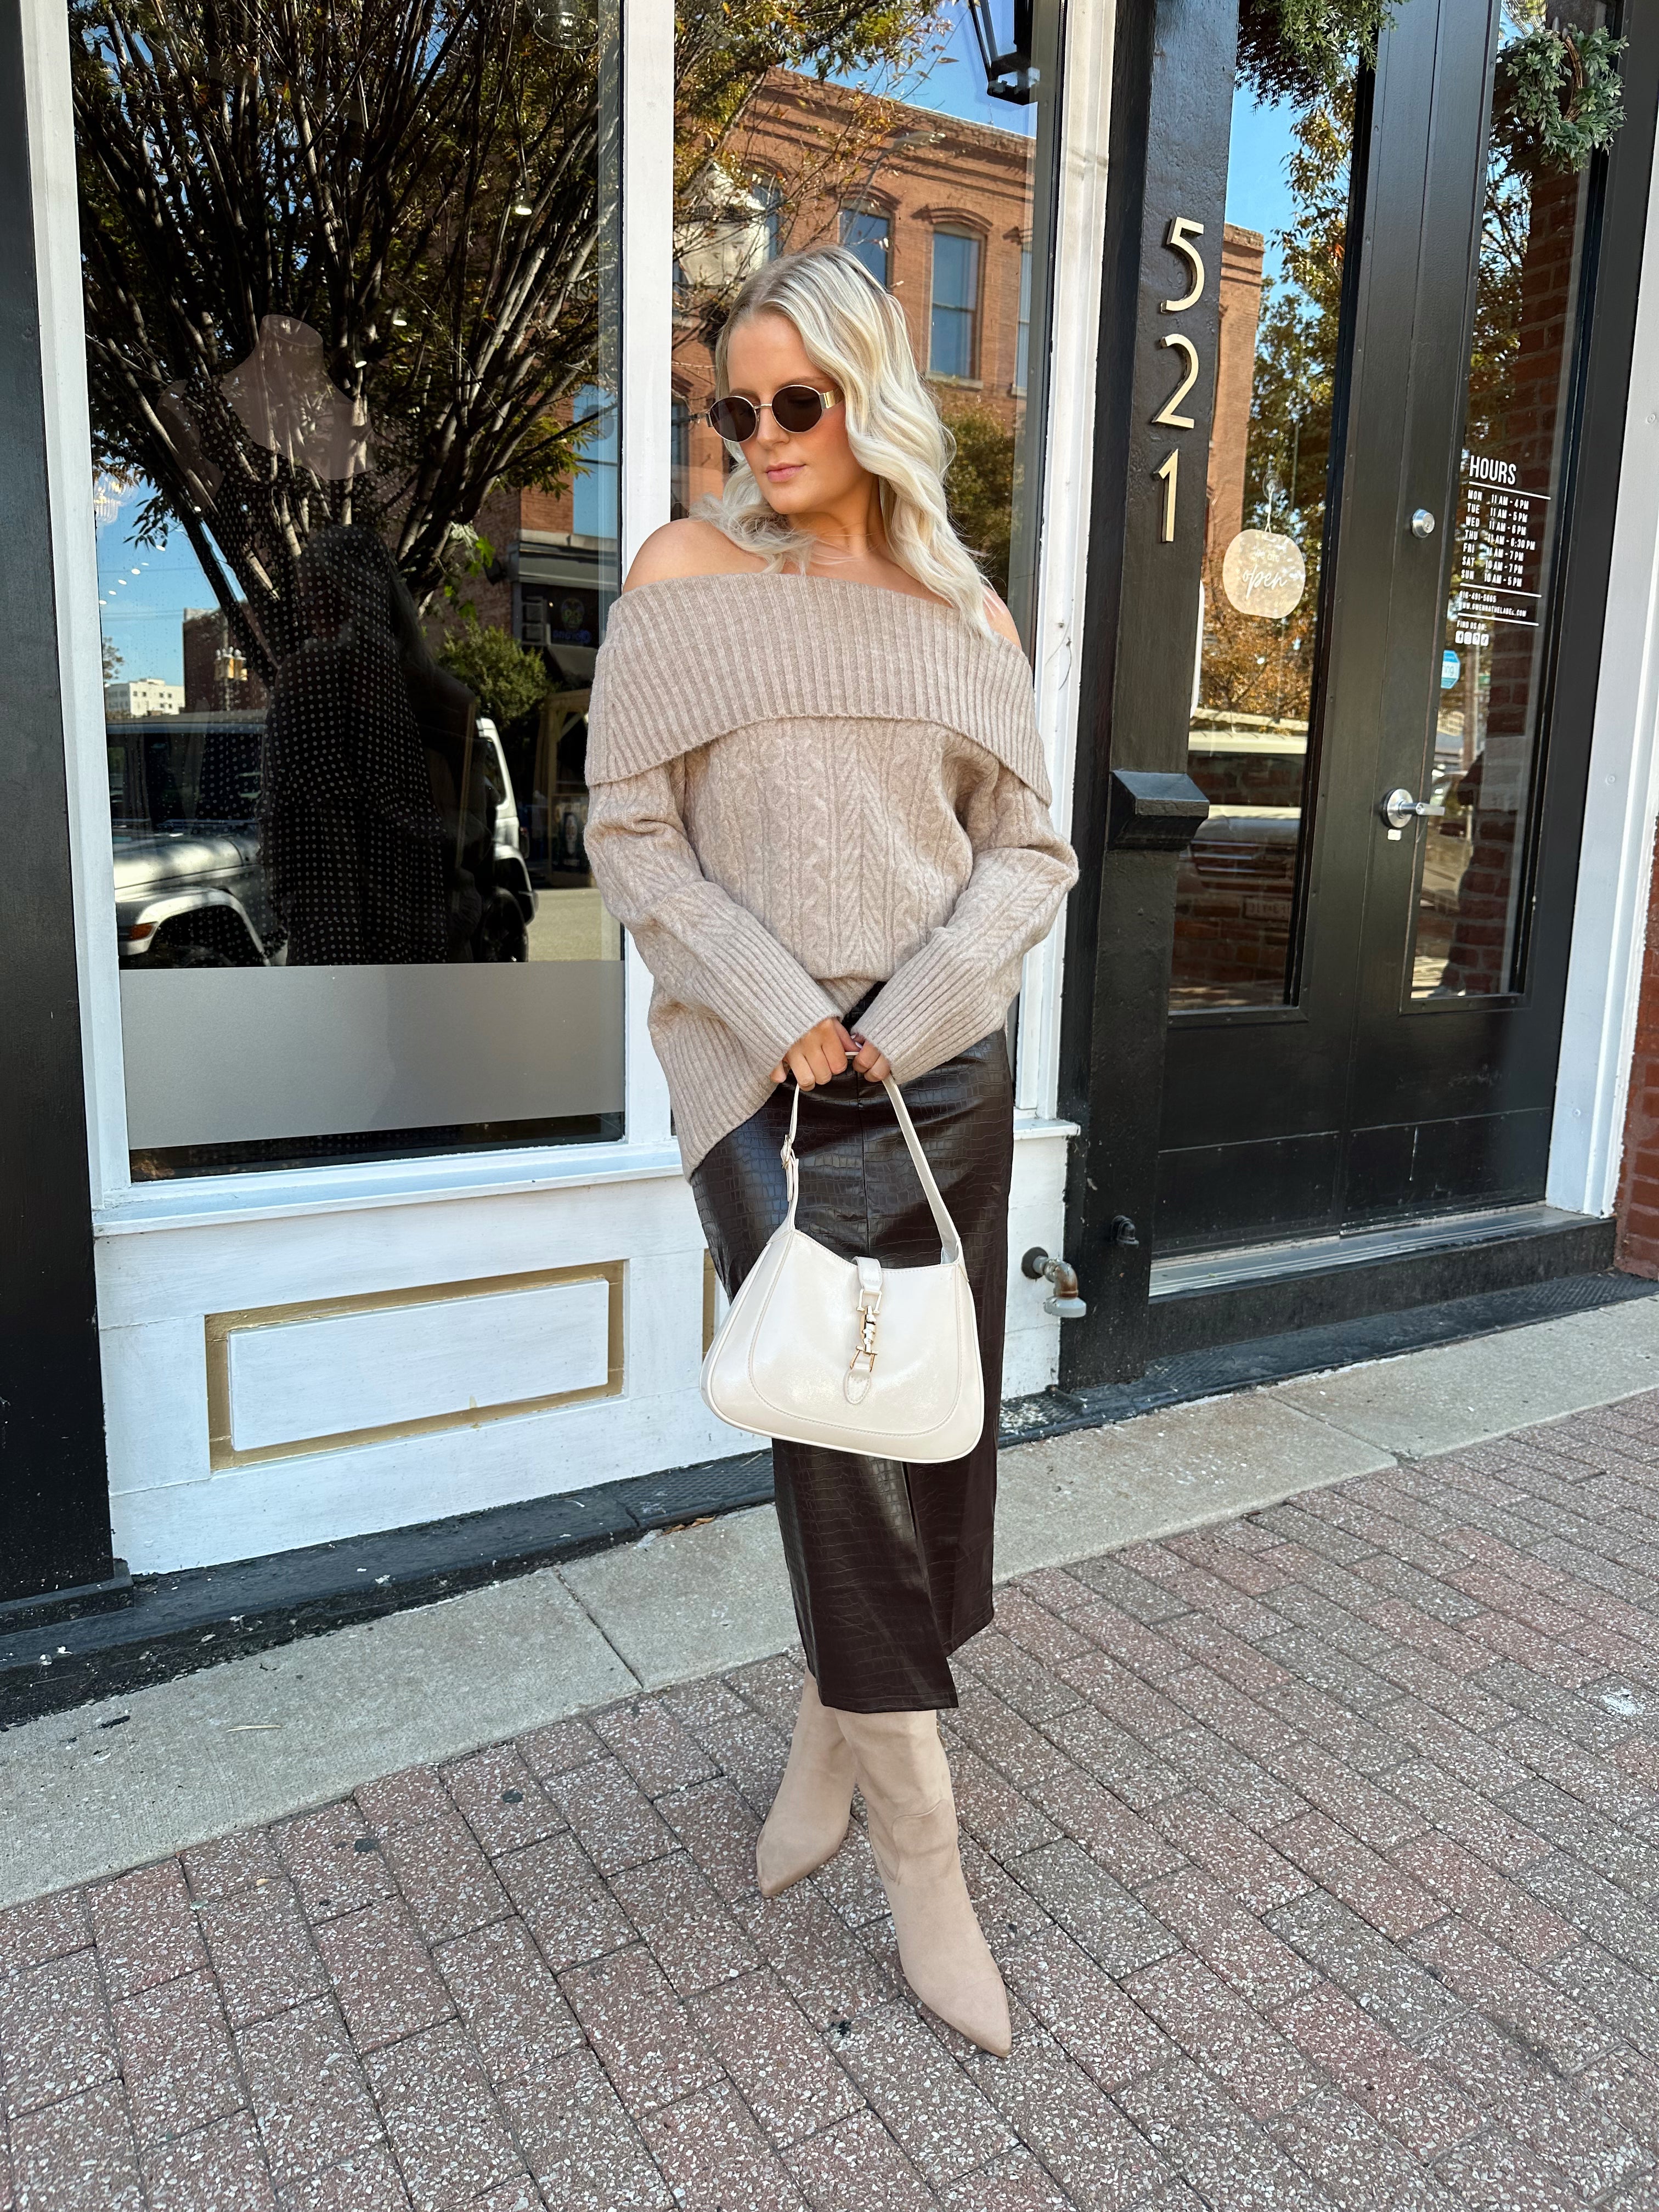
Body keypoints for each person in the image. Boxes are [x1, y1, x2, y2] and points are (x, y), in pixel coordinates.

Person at [583, 243, 1077, 2056]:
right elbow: (628, 835)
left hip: (935, 1065)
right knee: (824, 1413)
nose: (766, 435)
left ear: (875, 400)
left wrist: (921, 1007)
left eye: (802, 401)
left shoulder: (970, 618)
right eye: (740, 405)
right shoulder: (686, 577)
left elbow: (1030, 852)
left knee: (918, 1419)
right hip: (758, 1068)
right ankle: (924, 1836)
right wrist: (785, 1001)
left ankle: (831, 1729)